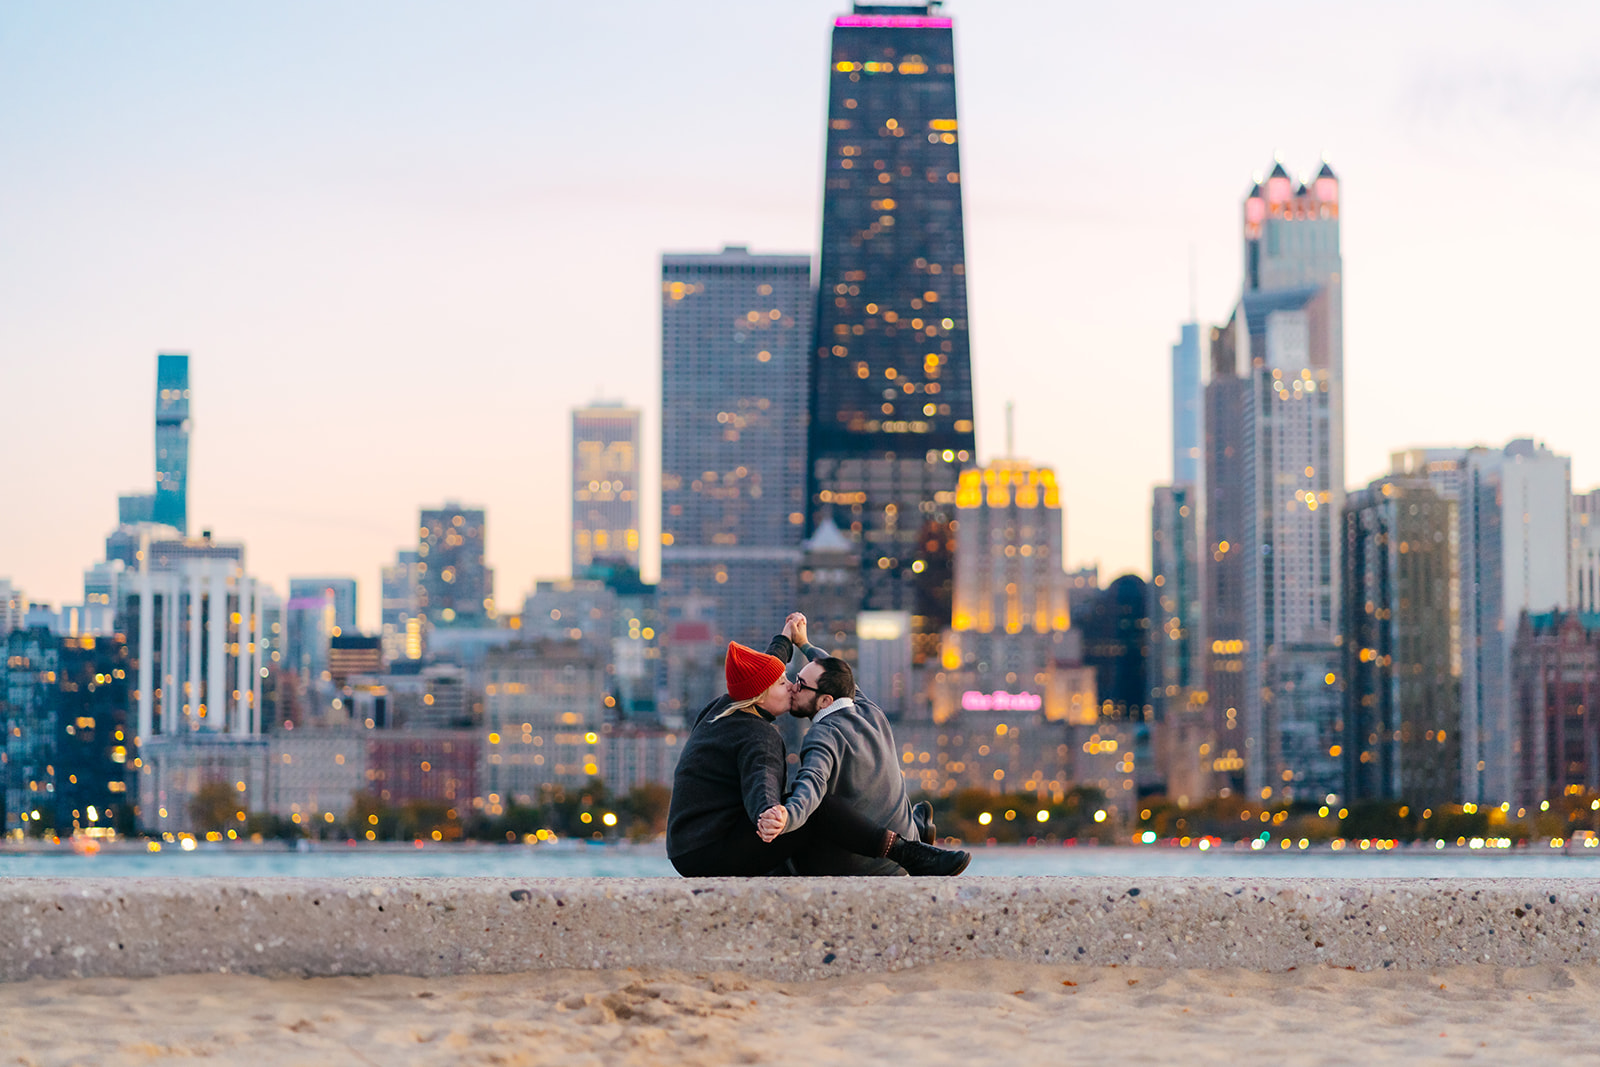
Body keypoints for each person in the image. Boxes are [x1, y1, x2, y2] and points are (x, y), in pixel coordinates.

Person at [666, 633, 970, 877]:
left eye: (793, 680)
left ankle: (911, 835)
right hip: (709, 853)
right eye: (783, 683)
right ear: (759, 695)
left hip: (687, 845)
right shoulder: (760, 737)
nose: (791, 687)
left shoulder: (722, 707)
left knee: (804, 819)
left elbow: (772, 669)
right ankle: (908, 851)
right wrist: (772, 811)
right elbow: (762, 782)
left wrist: (791, 641)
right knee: (816, 811)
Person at [768, 613, 931, 875]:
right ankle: (917, 830)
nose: (792, 687)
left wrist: (786, 817)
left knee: (781, 856)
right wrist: (804, 644)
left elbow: (810, 788)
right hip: (900, 862)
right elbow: (837, 674)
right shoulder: (870, 711)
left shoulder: (823, 734)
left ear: (825, 701)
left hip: (864, 865)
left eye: (800, 684)